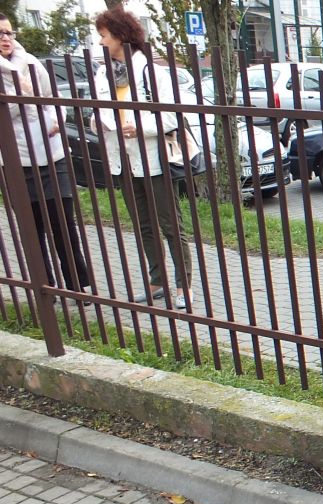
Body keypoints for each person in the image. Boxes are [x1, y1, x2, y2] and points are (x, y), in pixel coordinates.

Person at [92, 6, 194, 310]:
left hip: (154, 158)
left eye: (104, 36)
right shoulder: (103, 73)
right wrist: (98, 122)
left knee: (170, 225)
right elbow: (97, 109)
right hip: (122, 158)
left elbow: (173, 115)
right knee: (143, 224)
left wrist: (141, 127)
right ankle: (157, 280)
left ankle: (183, 285)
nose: (100, 42)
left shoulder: (151, 72)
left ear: (121, 36)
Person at [0, 14, 92, 292]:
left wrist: (56, 119)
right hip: (16, 160)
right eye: (0, 34)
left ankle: (77, 284)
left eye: (9, 33)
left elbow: (53, 99)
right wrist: (23, 96)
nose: (6, 38)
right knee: (32, 227)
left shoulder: (30, 63)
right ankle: (45, 286)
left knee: (63, 223)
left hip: (52, 154)